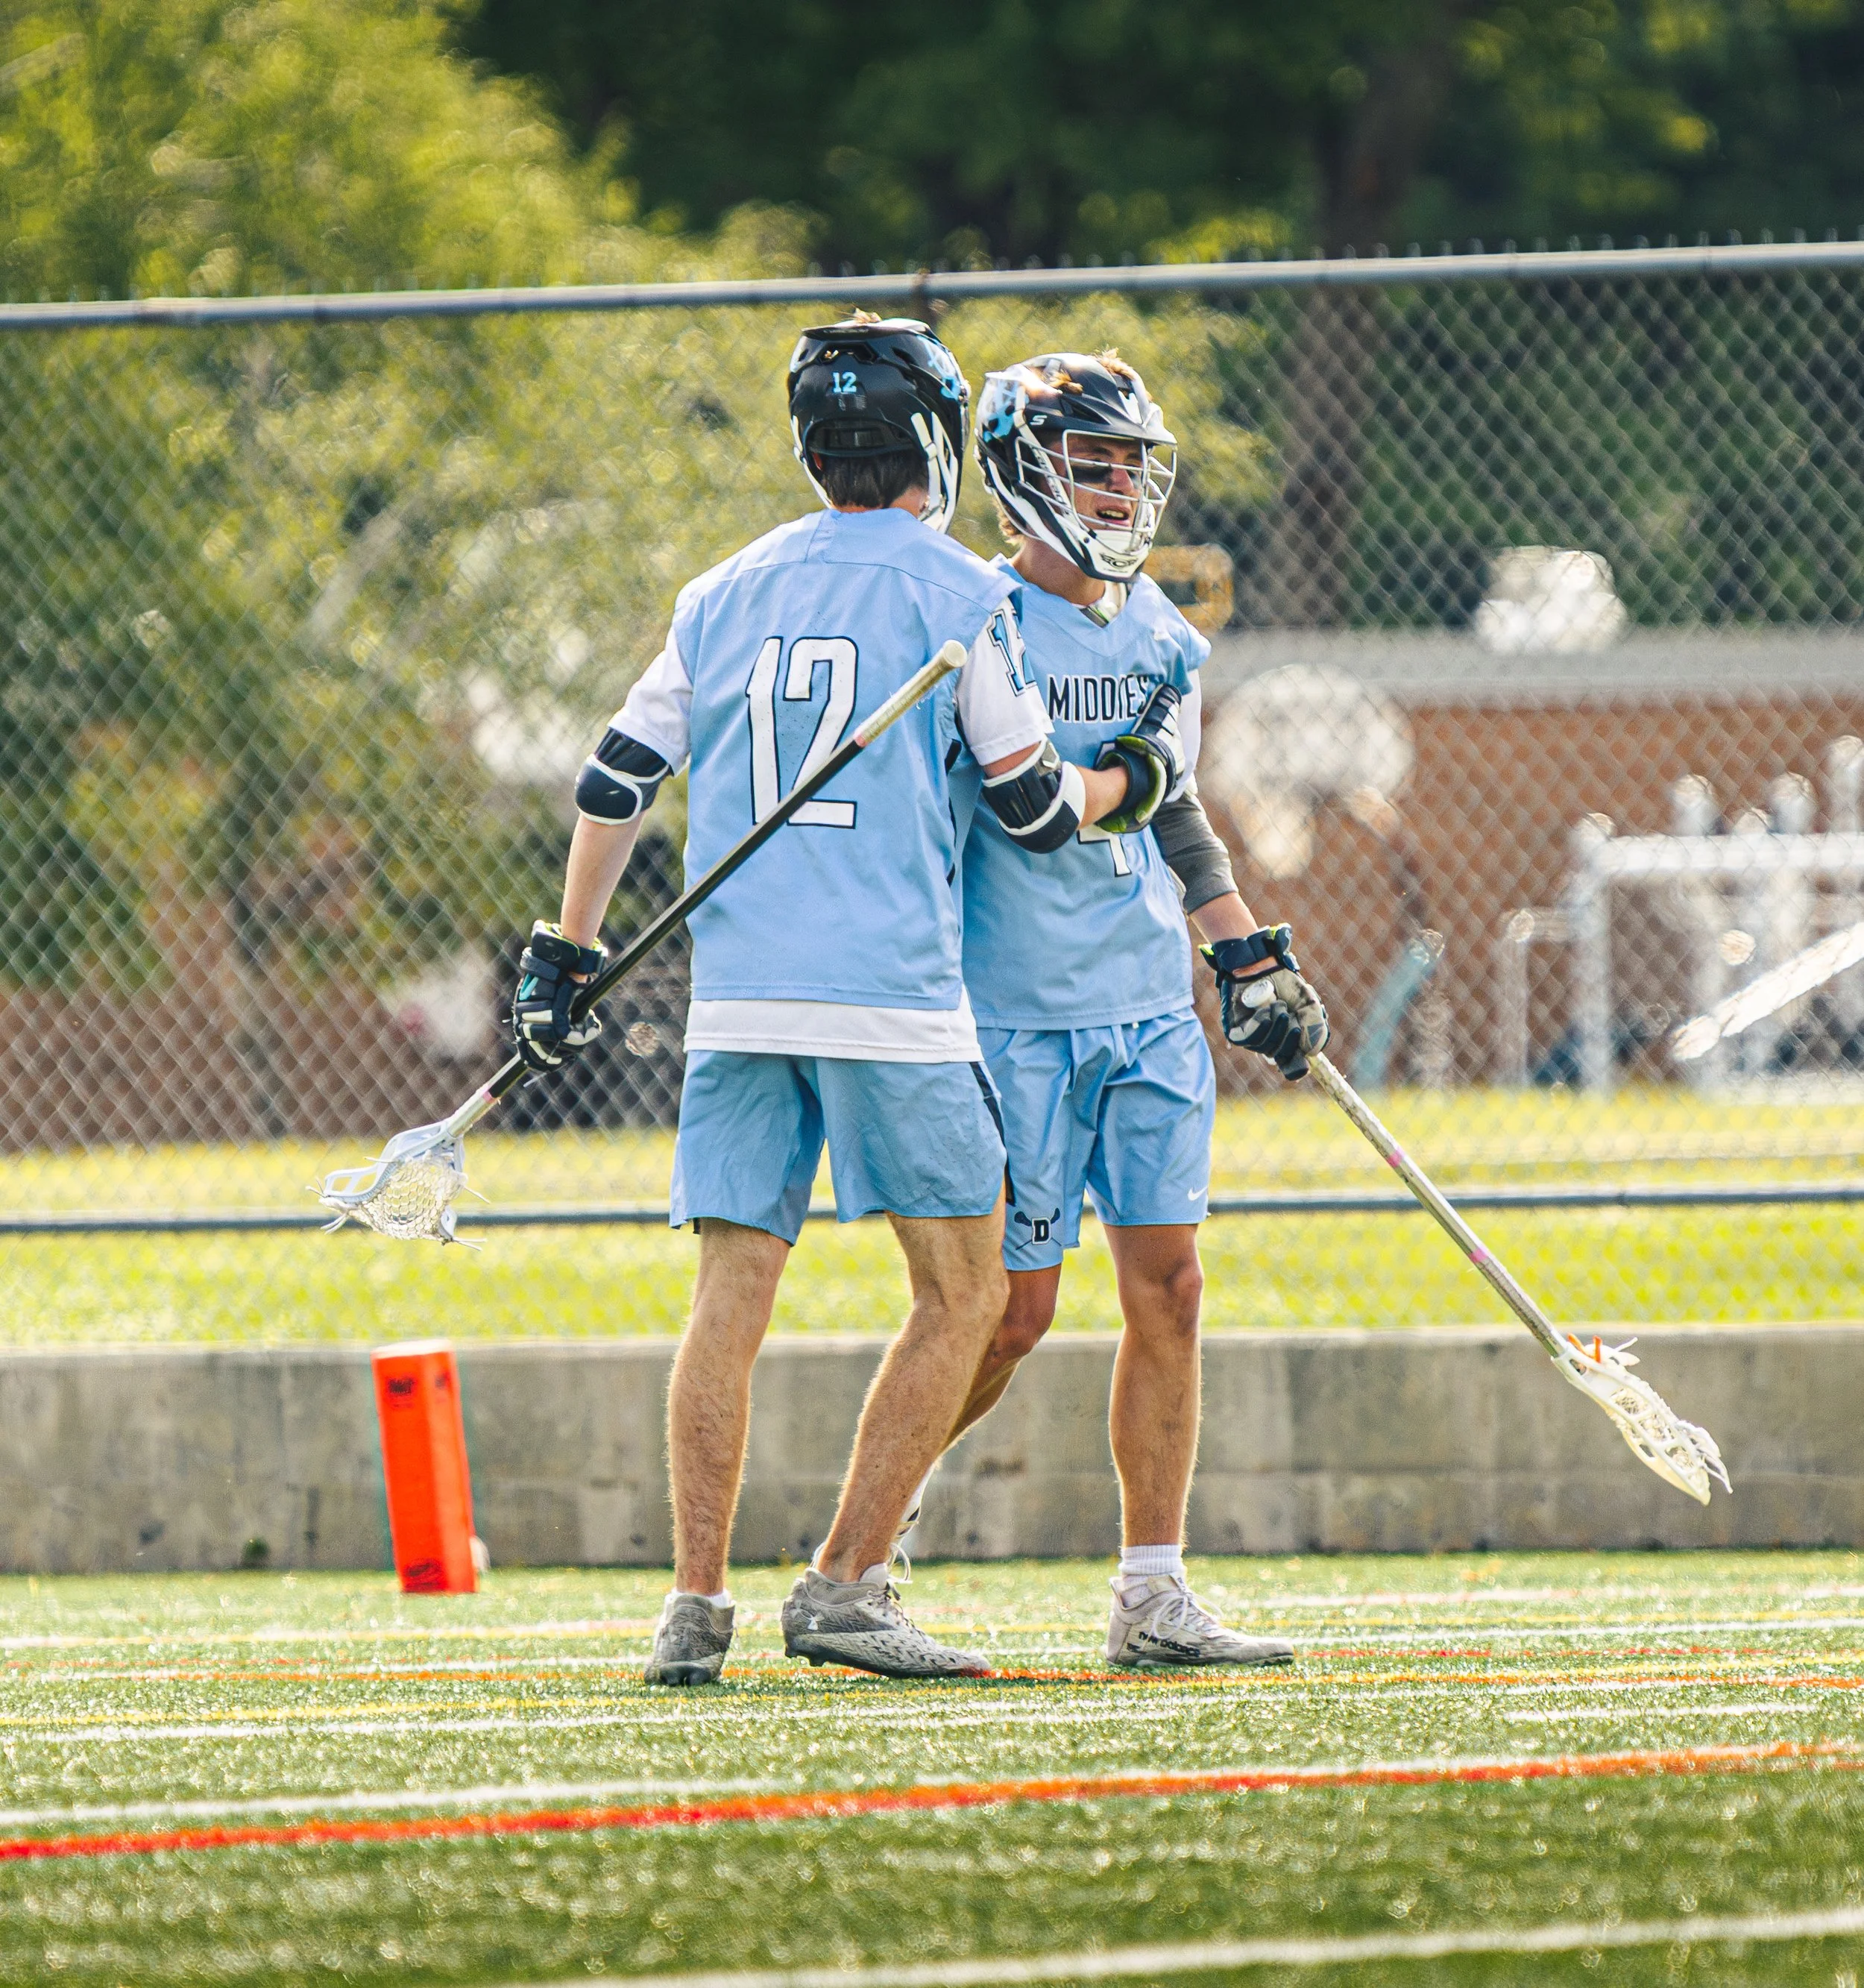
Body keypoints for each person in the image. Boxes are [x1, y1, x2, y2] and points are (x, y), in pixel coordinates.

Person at [506, 317, 1178, 1685]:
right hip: (895, 998)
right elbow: (1039, 808)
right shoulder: (958, 594)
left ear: (812, 449)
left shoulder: (721, 589)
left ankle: (693, 1606)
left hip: (740, 998)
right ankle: (846, 1583)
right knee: (965, 1289)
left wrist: (563, 953)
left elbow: (612, 780)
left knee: (730, 1293)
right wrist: (1141, 779)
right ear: (934, 443)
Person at [928, 349, 1329, 1668]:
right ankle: (883, 1514)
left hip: (1146, 1009)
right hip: (1017, 1017)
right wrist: (1129, 779)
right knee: (1014, 1310)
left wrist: (1244, 957)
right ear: (1022, 472)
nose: (1116, 487)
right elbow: (1024, 811)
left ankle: (1152, 1591)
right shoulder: (976, 620)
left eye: (1126, 464)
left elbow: (1182, 816)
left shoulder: (1163, 629)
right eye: (1090, 462)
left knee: (1172, 1285)